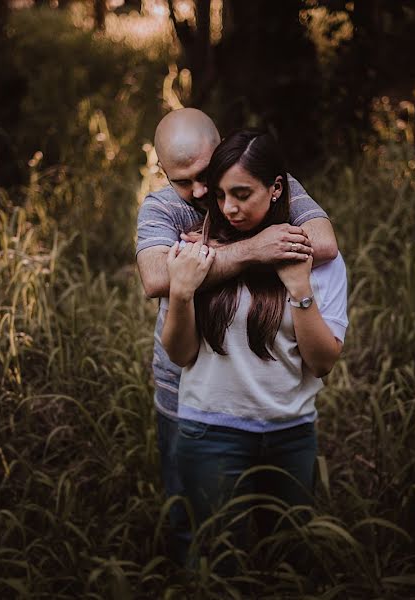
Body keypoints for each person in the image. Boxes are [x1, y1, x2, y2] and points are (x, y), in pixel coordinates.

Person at [135, 109, 339, 565]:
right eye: (183, 182)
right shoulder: (162, 206)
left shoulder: (266, 180)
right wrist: (251, 249)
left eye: (206, 173)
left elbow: (323, 243)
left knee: (279, 530)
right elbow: (154, 278)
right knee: (193, 518)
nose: (203, 192)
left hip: (264, 392)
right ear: (164, 173)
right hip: (181, 385)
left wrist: (196, 256)